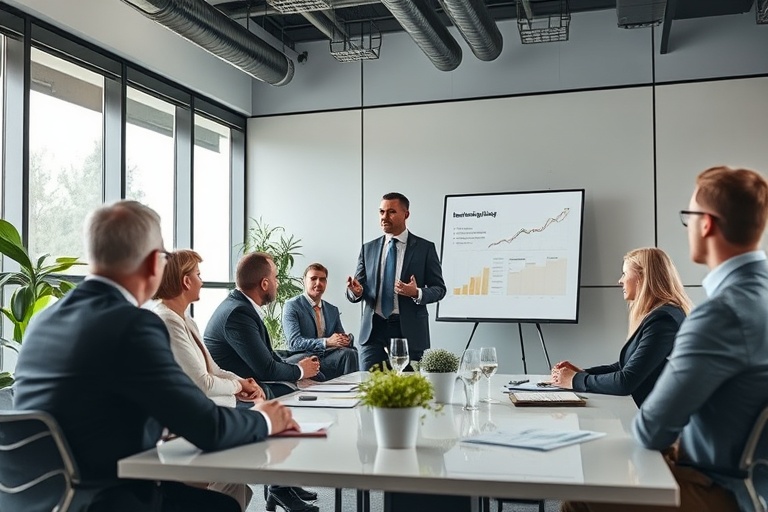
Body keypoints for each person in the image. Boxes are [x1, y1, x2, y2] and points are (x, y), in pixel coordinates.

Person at [13, 200, 298, 512]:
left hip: (40, 498)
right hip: (108, 499)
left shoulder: (43, 320)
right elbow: (208, 429)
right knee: (222, 506)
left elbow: (95, 406)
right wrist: (264, 419)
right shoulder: (134, 324)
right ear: (153, 263)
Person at [564, 166, 768, 512]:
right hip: (753, 477)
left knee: (580, 498)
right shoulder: (757, 298)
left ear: (706, 224)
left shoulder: (719, 315)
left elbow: (652, 431)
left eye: (688, 216)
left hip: (721, 486)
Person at [204, 251, 321, 512]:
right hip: (236, 394)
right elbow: (265, 367)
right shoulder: (238, 313)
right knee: (291, 400)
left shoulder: (243, 306)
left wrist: (299, 368)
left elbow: (267, 357)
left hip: (251, 385)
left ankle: (283, 484)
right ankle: (280, 488)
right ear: (264, 284)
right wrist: (299, 373)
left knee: (301, 387)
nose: (279, 283)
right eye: (276, 277)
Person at [153, 249, 267, 511]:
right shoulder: (167, 321)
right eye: (199, 275)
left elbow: (213, 369)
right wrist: (239, 386)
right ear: (186, 281)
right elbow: (202, 383)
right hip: (184, 430)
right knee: (234, 486)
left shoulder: (186, 320)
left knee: (236, 485)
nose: (202, 281)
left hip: (210, 414)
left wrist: (243, 383)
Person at [551, 247, 692, 407]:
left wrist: (575, 380)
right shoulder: (662, 314)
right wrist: (583, 373)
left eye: (625, 273)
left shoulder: (663, 320)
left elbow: (626, 382)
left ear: (642, 277)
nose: (620, 280)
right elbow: (627, 365)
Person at [346, 192, 446, 371]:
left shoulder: (425, 248)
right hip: (373, 330)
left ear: (406, 214)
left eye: (391, 212)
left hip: (409, 331)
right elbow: (356, 288)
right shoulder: (368, 248)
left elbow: (439, 289)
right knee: (370, 389)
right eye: (381, 212)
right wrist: (356, 291)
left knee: (406, 393)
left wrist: (416, 292)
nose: (384, 217)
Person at [282, 262, 359, 379]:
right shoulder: (292, 306)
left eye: (322, 279)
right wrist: (326, 342)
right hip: (305, 358)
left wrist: (344, 340)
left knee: (350, 353)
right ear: (304, 281)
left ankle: (349, 392)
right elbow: (294, 343)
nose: (318, 283)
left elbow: (338, 338)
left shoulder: (332, 310)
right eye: (313, 279)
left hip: (327, 357)